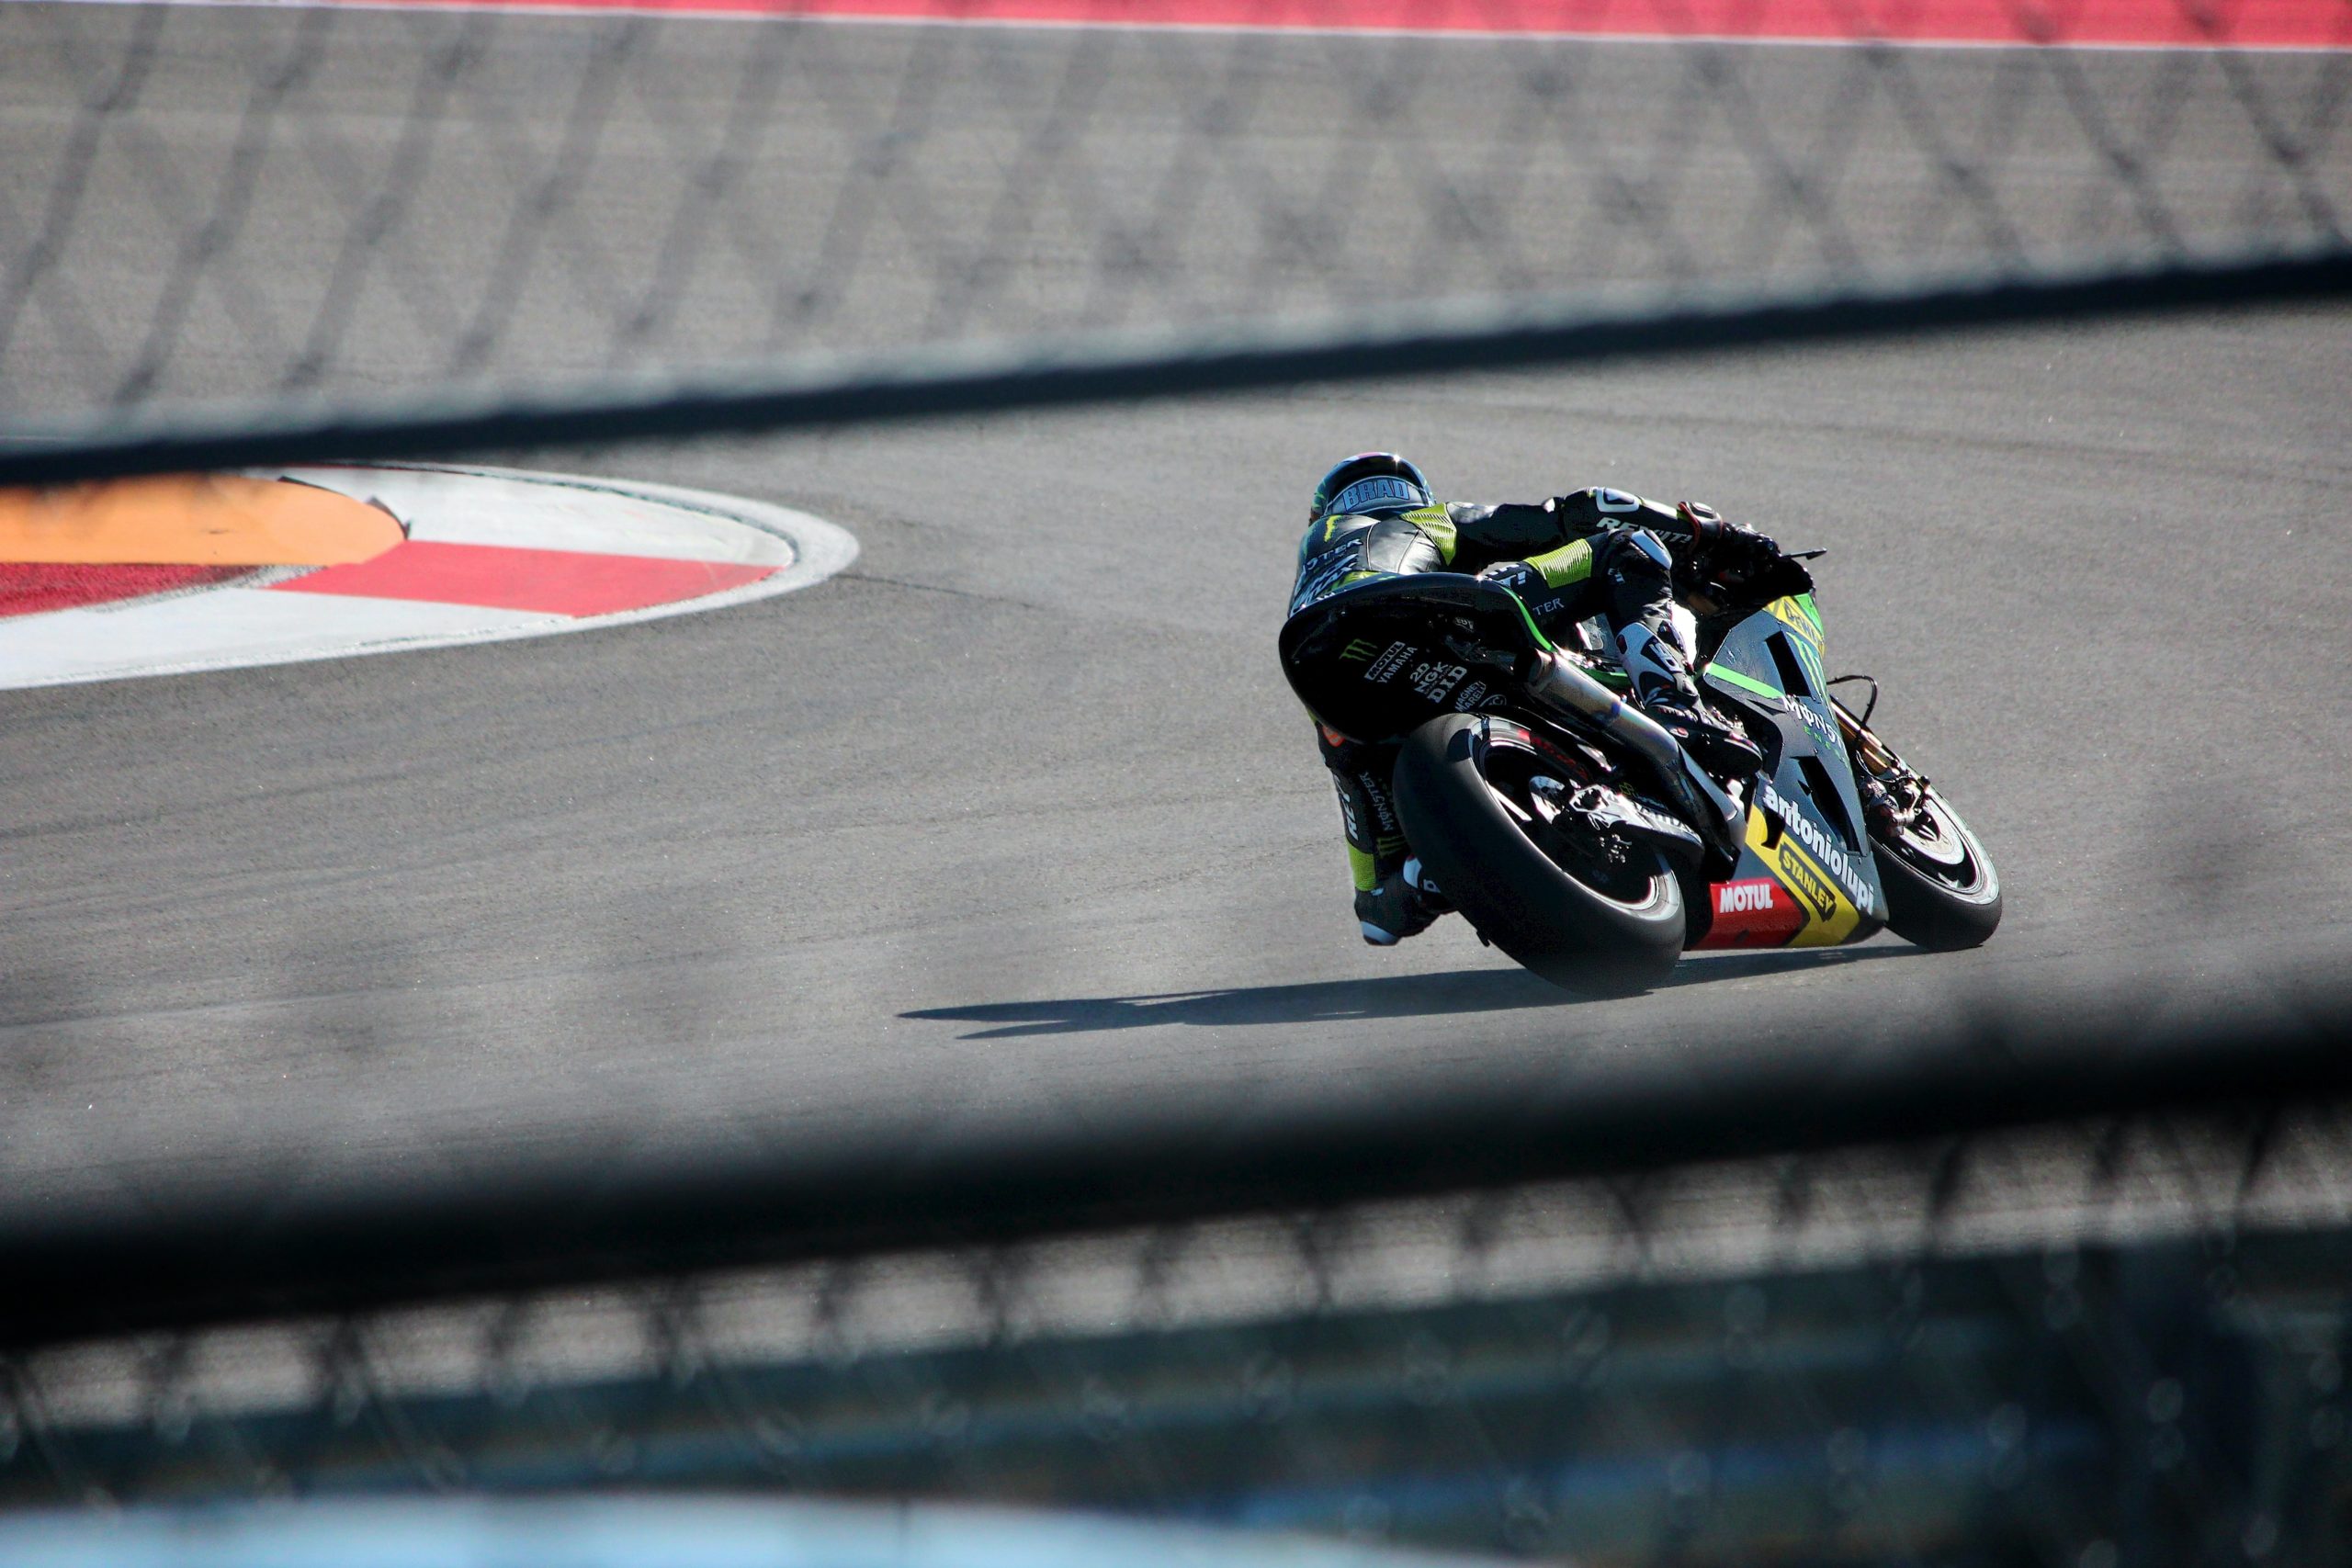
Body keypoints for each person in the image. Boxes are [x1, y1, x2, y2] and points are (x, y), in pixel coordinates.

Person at [1286, 452, 1797, 946]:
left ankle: (1433, 873)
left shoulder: (1323, 572)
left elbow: (1377, 918)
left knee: (1381, 891)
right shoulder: (1428, 519)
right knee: (1626, 548)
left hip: (1326, 677)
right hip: (1420, 615)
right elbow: (1587, 508)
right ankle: (1677, 708)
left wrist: (1448, 858)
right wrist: (1712, 534)